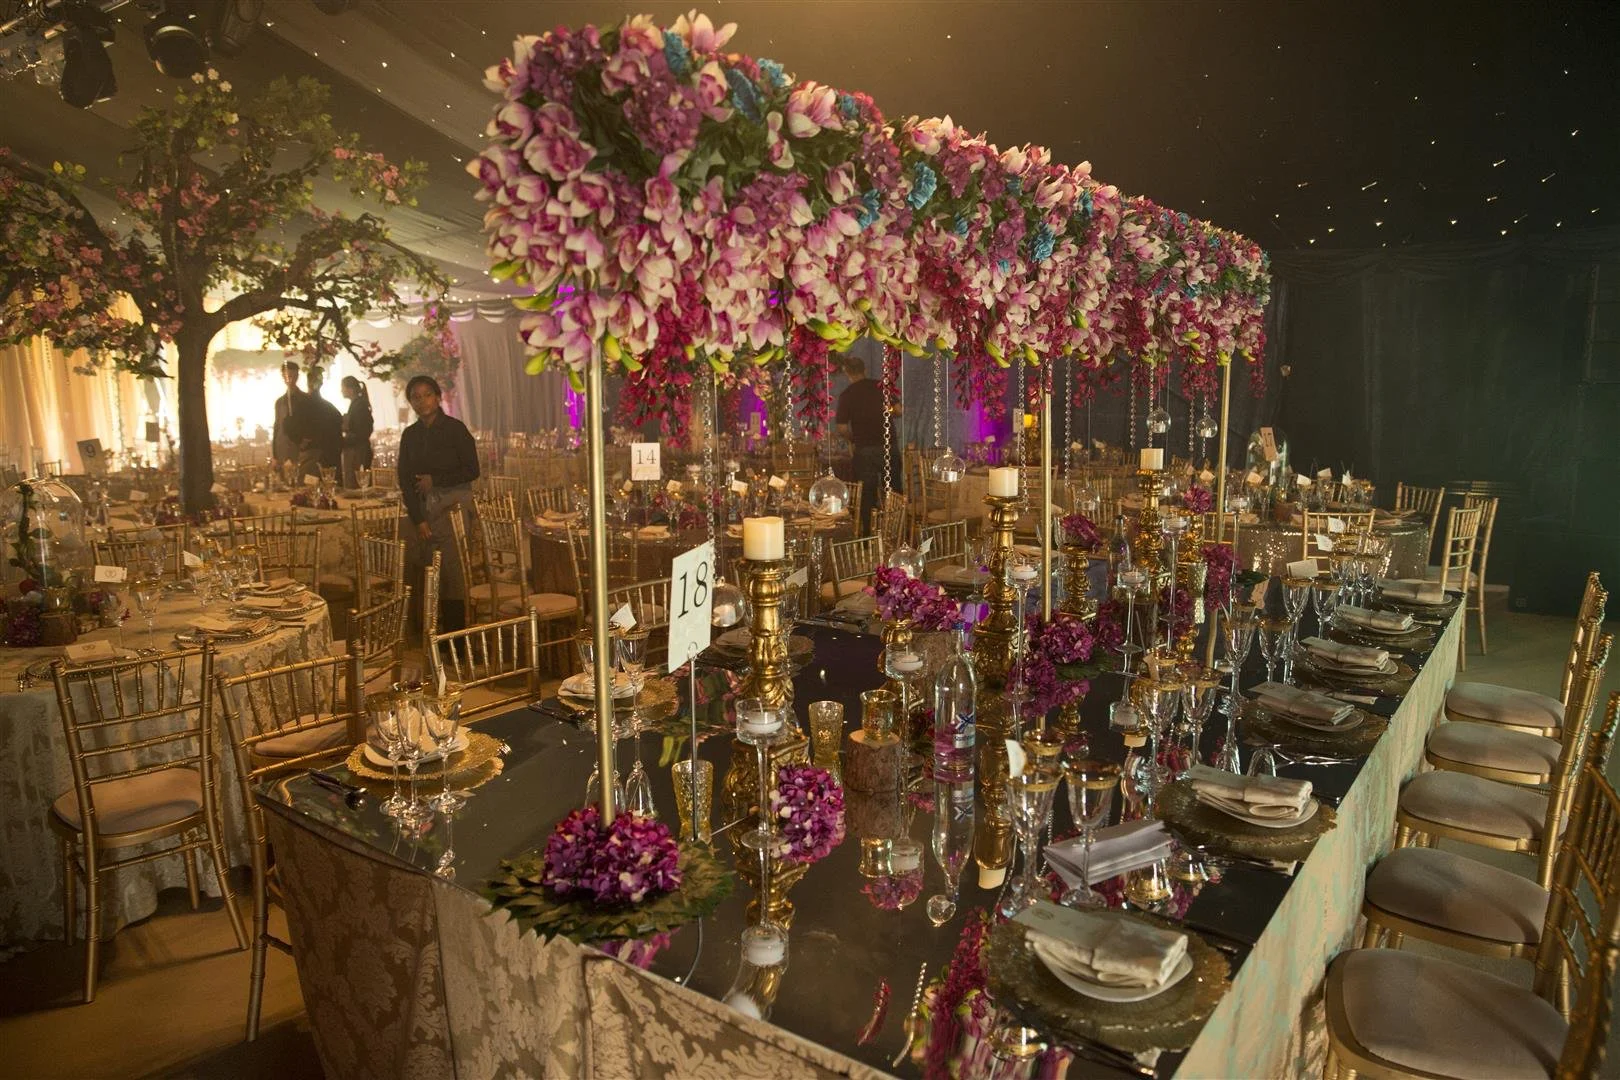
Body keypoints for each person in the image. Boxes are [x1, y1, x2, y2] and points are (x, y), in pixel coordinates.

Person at [398, 375, 480, 632]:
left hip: (452, 509)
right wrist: (418, 519)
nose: (421, 401)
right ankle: (427, 634)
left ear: (438, 397)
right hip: (423, 512)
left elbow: (472, 470)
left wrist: (437, 480)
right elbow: (404, 478)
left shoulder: (455, 429)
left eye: (426, 395)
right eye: (416, 397)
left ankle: (454, 637)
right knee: (424, 571)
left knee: (452, 574)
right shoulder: (410, 435)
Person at [834, 353, 888, 535]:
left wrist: (854, 438)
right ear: (865, 370)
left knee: (866, 495)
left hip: (864, 449)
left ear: (847, 373)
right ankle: (894, 532)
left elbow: (841, 427)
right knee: (893, 492)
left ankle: (867, 536)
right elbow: (898, 409)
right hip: (888, 446)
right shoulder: (880, 387)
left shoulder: (847, 395)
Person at [303, 371, 344, 480]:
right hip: (331, 456)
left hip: (312, 456)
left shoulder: (303, 405)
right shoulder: (330, 408)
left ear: (308, 383)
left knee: (310, 489)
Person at [271, 361, 309, 468]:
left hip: (299, 447)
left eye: (293, 375)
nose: (290, 379)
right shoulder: (280, 402)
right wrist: (275, 454)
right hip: (282, 447)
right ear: (283, 377)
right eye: (287, 376)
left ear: (297, 376)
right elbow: (277, 426)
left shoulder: (305, 399)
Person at [340, 375, 375, 488]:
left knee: (358, 483)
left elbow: (362, 432)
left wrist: (344, 439)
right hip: (357, 449)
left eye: (343, 388)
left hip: (359, 451)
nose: (341, 391)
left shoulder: (359, 406)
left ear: (350, 389)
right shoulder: (357, 404)